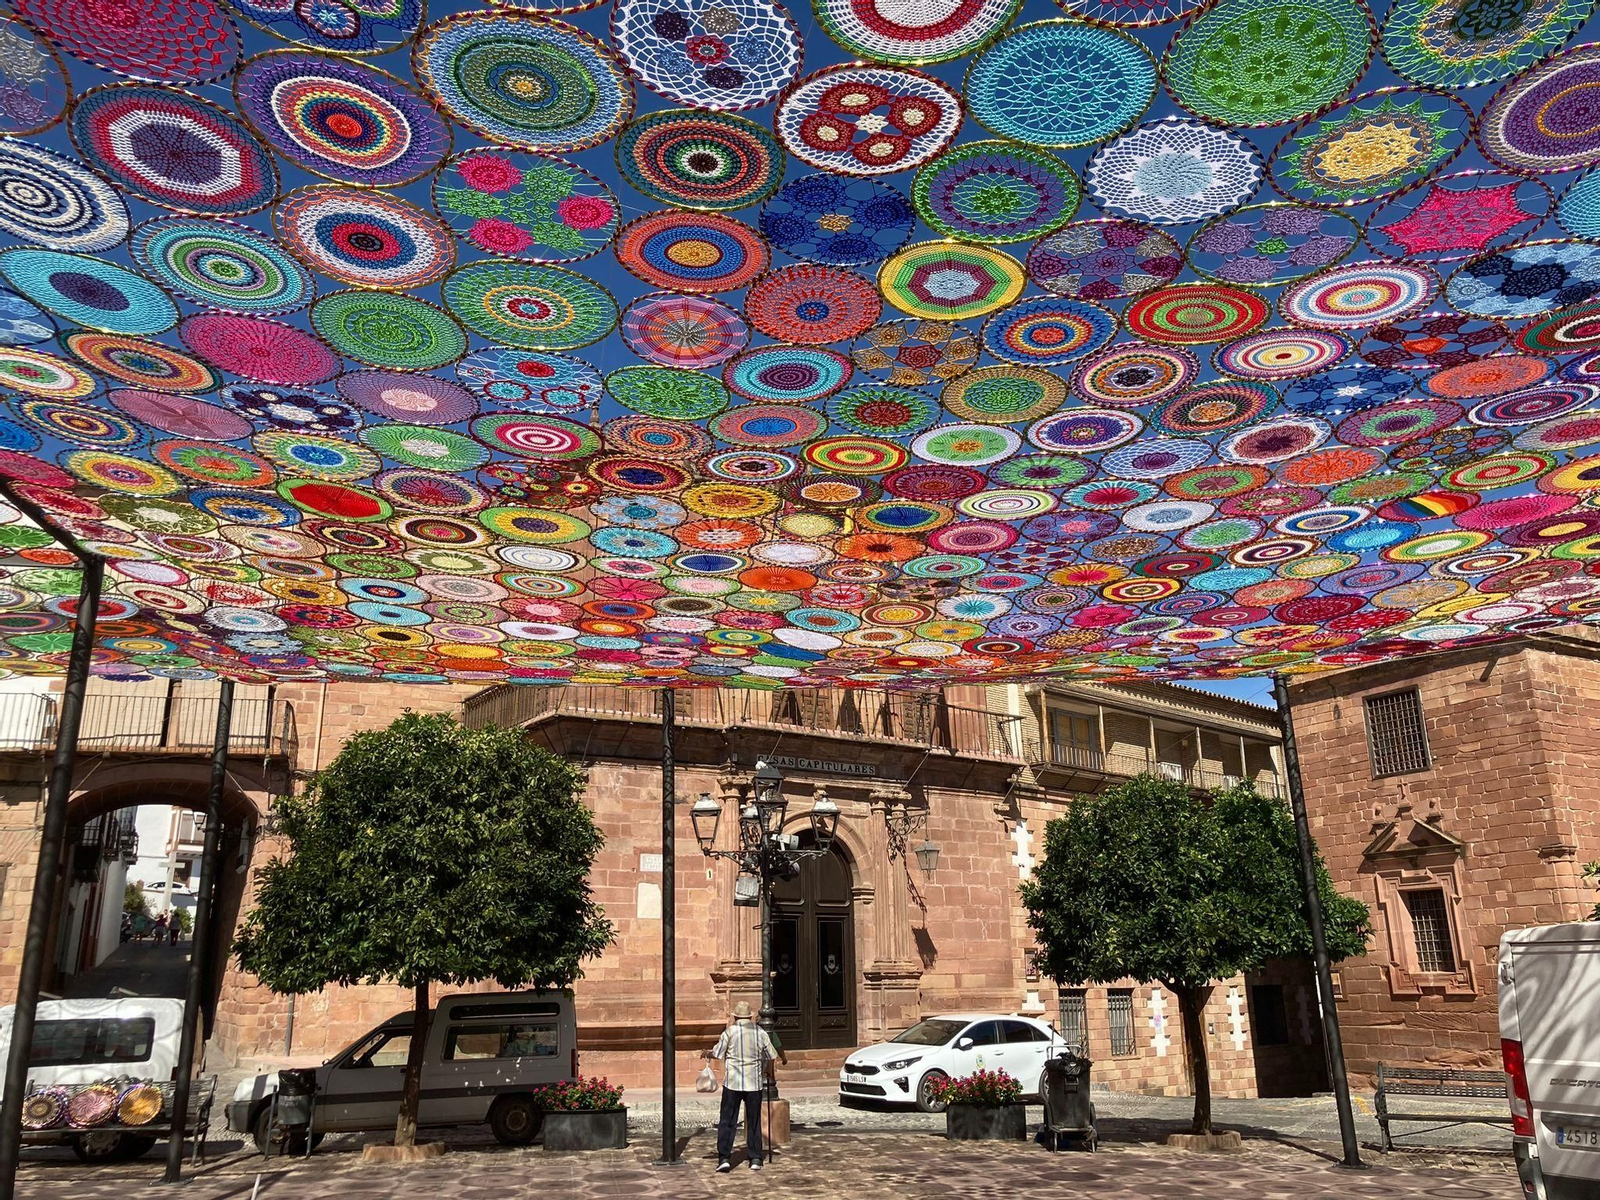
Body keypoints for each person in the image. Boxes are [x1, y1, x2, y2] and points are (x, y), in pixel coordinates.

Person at [704, 1001, 778, 1172]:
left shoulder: (729, 1032)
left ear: (735, 1016)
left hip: (733, 1083)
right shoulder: (759, 1032)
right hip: (754, 1083)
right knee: (753, 1121)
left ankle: (724, 1157)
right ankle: (756, 1158)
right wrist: (768, 1071)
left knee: (728, 1120)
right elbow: (771, 1054)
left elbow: (717, 1053)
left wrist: (706, 1053)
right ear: (750, 1016)